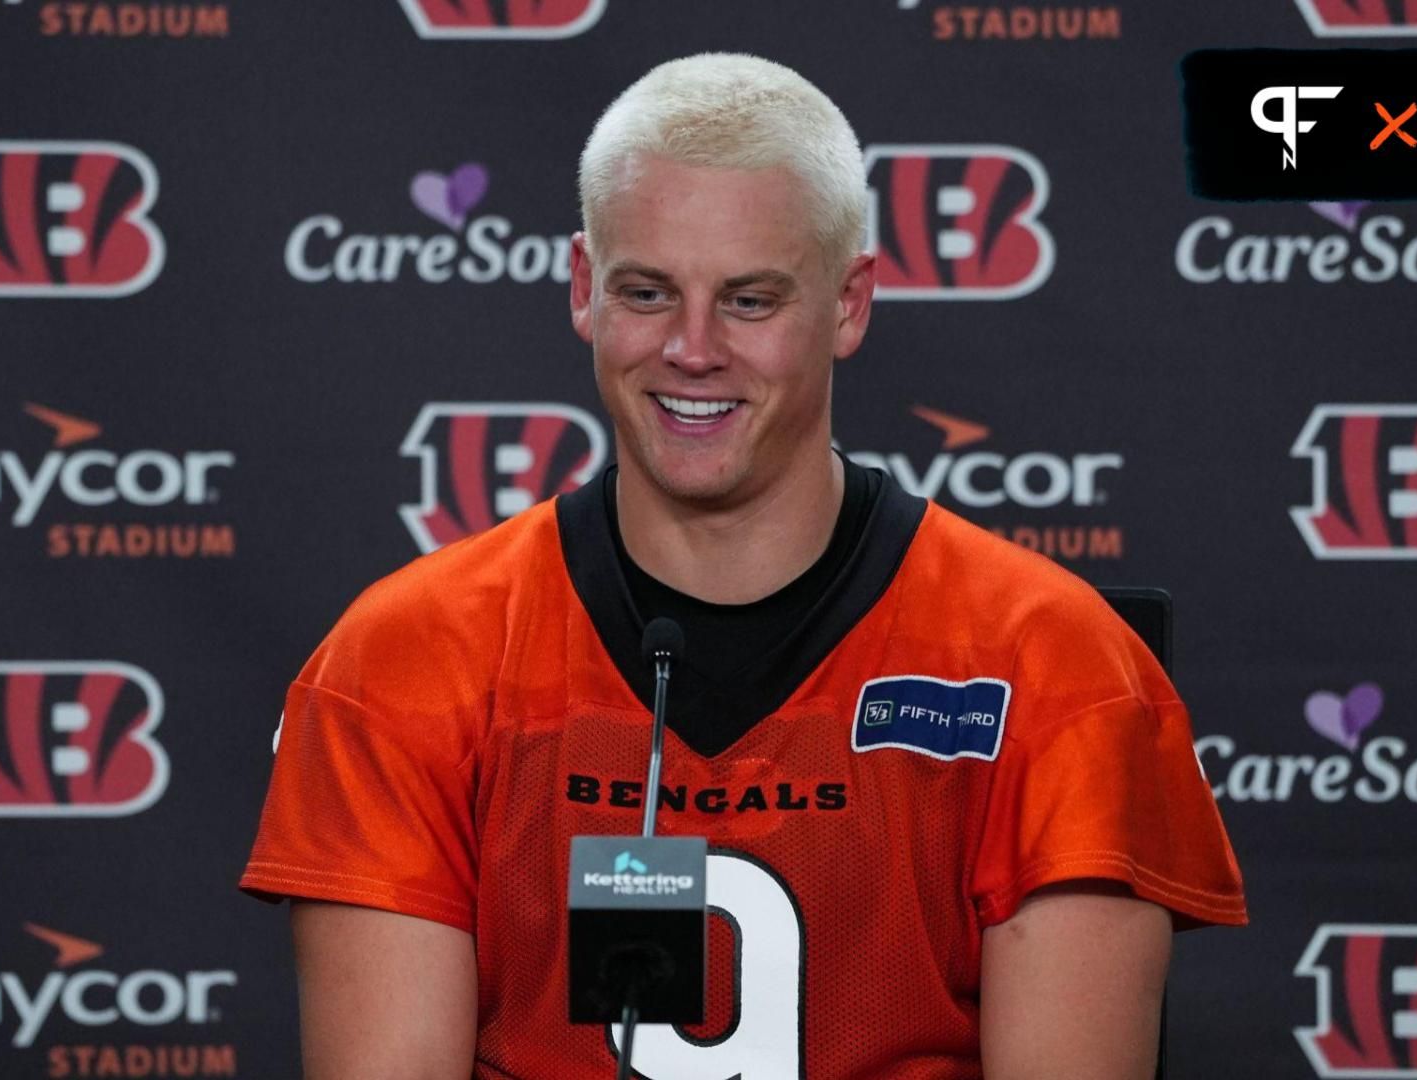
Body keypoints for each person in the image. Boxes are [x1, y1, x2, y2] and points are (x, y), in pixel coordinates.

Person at [242, 52, 1246, 1079]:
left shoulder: (1054, 664)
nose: (690, 347)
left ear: (851, 304)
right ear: (584, 289)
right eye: (646, 291)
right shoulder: (406, 660)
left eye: (750, 301)